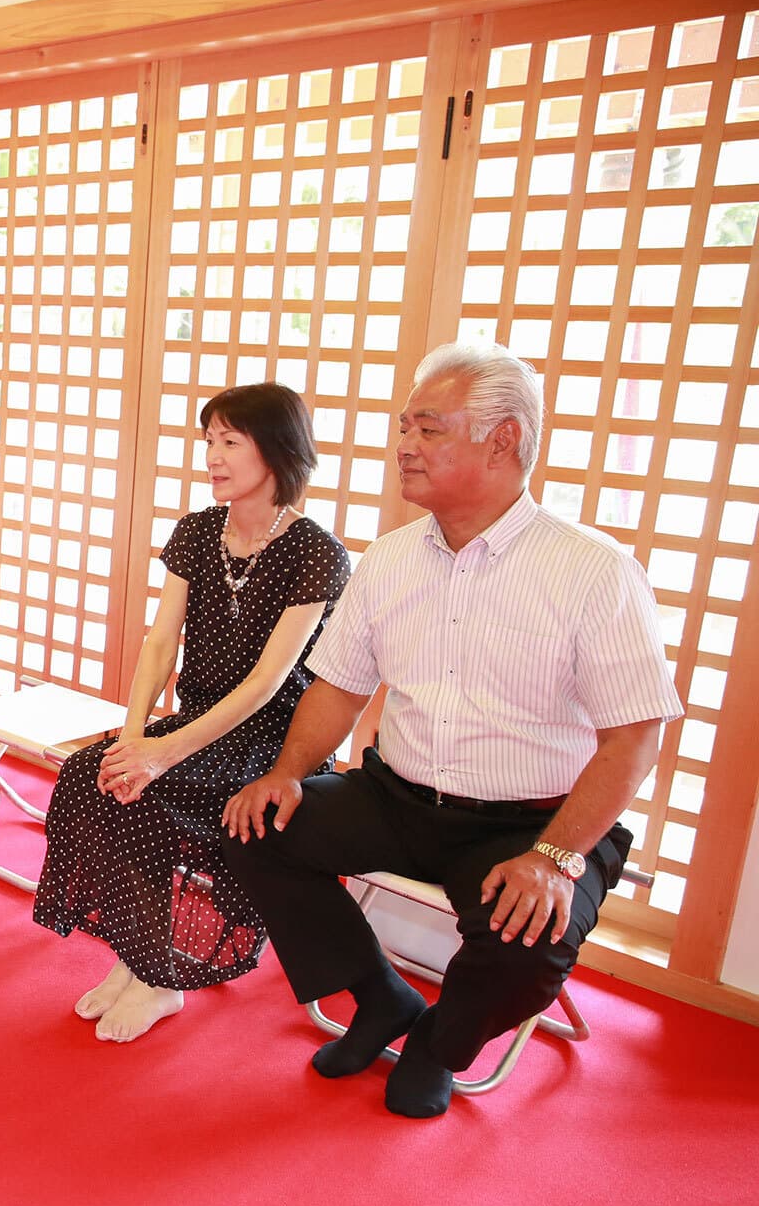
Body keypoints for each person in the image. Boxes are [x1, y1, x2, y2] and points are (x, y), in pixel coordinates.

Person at [222, 342, 682, 1119]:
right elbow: (337, 687)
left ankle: (438, 1041)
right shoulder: (391, 559)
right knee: (257, 827)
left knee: (529, 934)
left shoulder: (593, 571)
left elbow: (634, 736)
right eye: (405, 426)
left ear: (503, 440)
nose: (404, 445)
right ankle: (379, 999)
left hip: (533, 824)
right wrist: (289, 772)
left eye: (428, 428)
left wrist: (556, 858)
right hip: (398, 794)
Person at [33, 383, 351, 1042]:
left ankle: (158, 979)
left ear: (278, 450)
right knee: (92, 775)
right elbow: (158, 643)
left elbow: (268, 683)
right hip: (194, 724)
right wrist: (130, 740)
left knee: (150, 794)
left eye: (231, 441)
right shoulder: (199, 530)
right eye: (209, 440)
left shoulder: (317, 551)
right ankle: (136, 957)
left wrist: (161, 755)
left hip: (269, 743)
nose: (213, 454)